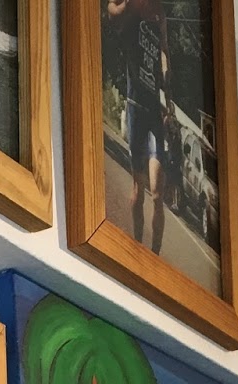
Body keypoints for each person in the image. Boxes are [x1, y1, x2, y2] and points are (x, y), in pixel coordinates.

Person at [106, 0, 169, 253]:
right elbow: (112, 13)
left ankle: (155, 255)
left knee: (158, 193)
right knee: (139, 189)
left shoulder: (159, 12)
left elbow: (164, 51)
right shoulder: (129, 9)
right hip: (135, 107)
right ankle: (137, 247)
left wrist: (168, 95)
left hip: (155, 111)